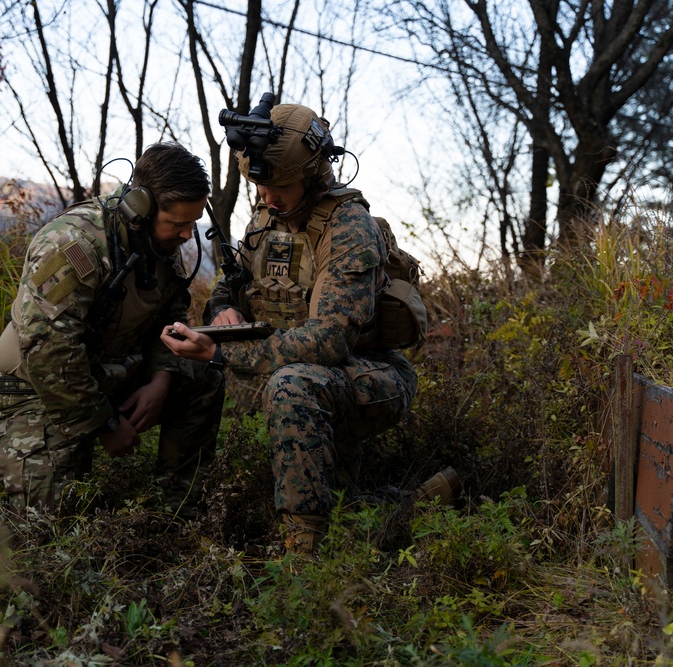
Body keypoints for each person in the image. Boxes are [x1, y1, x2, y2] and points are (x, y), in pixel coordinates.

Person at [160, 101, 457, 556]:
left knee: (290, 386)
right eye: (260, 186)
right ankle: (418, 503)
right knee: (345, 508)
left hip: (369, 375)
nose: (267, 197)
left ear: (313, 173)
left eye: (280, 186)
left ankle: (303, 556)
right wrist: (223, 311)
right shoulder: (264, 219)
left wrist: (221, 354)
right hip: (312, 374)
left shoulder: (348, 228)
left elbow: (329, 341)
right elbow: (232, 286)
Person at [0, 142, 224, 541]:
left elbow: (169, 320)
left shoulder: (160, 244)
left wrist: (161, 381)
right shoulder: (72, 245)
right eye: (177, 224)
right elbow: (48, 350)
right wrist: (104, 425)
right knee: (39, 534)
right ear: (141, 207)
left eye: (193, 223)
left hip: (106, 374)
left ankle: (172, 514)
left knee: (201, 373)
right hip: (34, 388)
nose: (188, 235)